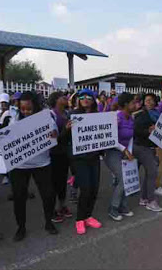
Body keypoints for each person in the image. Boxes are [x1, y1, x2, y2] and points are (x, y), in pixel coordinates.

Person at [7, 91, 58, 242]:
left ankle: (49, 222)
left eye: (29, 109)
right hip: (19, 166)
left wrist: (53, 133)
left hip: (42, 163)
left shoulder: (46, 117)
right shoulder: (14, 119)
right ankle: (20, 227)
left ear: (35, 107)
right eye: (23, 109)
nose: (26, 112)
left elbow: (54, 133)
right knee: (19, 197)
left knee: (48, 194)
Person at [63, 89, 104, 234]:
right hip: (79, 159)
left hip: (94, 158)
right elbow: (63, 139)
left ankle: (88, 216)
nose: (85, 99)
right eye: (82, 97)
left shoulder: (98, 116)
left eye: (88, 97)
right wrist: (66, 129)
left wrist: (112, 124)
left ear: (93, 100)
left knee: (94, 189)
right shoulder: (72, 115)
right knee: (85, 189)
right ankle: (80, 219)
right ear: (78, 100)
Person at [105, 92, 136, 221]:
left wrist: (129, 151)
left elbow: (130, 138)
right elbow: (110, 138)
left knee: (124, 180)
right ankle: (113, 208)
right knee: (123, 180)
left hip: (124, 152)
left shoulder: (131, 118)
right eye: (133, 102)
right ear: (125, 104)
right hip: (112, 152)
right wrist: (124, 150)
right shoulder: (116, 117)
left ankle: (123, 206)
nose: (135, 104)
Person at [133, 93, 162, 212]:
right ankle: (151, 201)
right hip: (141, 147)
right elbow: (135, 131)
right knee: (152, 172)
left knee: (149, 173)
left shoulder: (159, 114)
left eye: (151, 100)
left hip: (151, 147)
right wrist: (148, 131)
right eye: (147, 100)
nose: (149, 102)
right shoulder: (140, 114)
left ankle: (144, 198)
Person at [48, 92, 73, 223]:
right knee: (53, 183)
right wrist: (66, 130)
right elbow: (52, 139)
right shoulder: (51, 115)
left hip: (64, 154)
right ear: (56, 100)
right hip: (53, 155)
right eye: (63, 97)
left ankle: (62, 206)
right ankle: (52, 211)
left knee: (62, 181)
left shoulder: (68, 114)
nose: (66, 99)